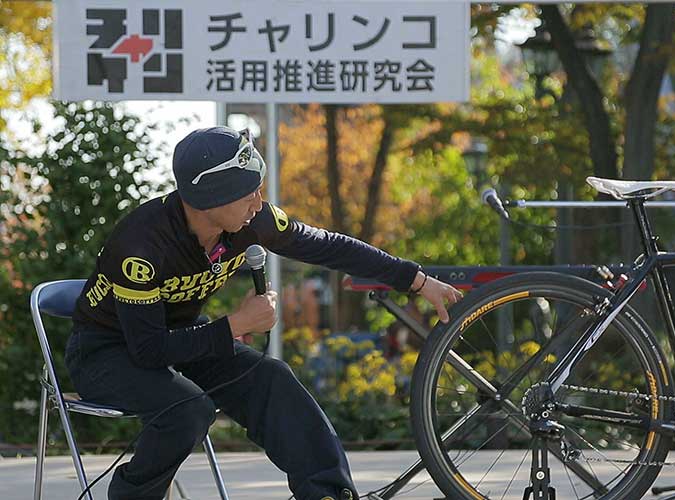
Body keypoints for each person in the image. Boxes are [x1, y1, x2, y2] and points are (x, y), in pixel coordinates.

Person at [65, 126, 462, 500]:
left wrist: (416, 280)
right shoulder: (141, 245)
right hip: (107, 352)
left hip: (180, 335)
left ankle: (326, 493)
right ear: (210, 199)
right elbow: (148, 350)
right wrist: (235, 325)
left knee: (272, 377)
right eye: (248, 193)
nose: (259, 203)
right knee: (188, 408)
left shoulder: (251, 221)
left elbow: (329, 246)